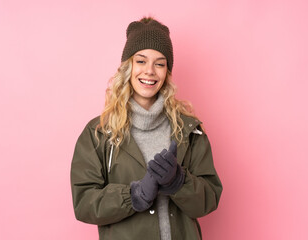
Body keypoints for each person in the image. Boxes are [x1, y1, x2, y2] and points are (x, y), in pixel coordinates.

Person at [70, 17, 222, 240]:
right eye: (141, 61)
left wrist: (179, 182)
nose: (149, 71)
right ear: (127, 67)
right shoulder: (99, 133)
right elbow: (83, 202)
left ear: (167, 72)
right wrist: (133, 195)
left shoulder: (189, 130)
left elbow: (208, 199)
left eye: (159, 63)